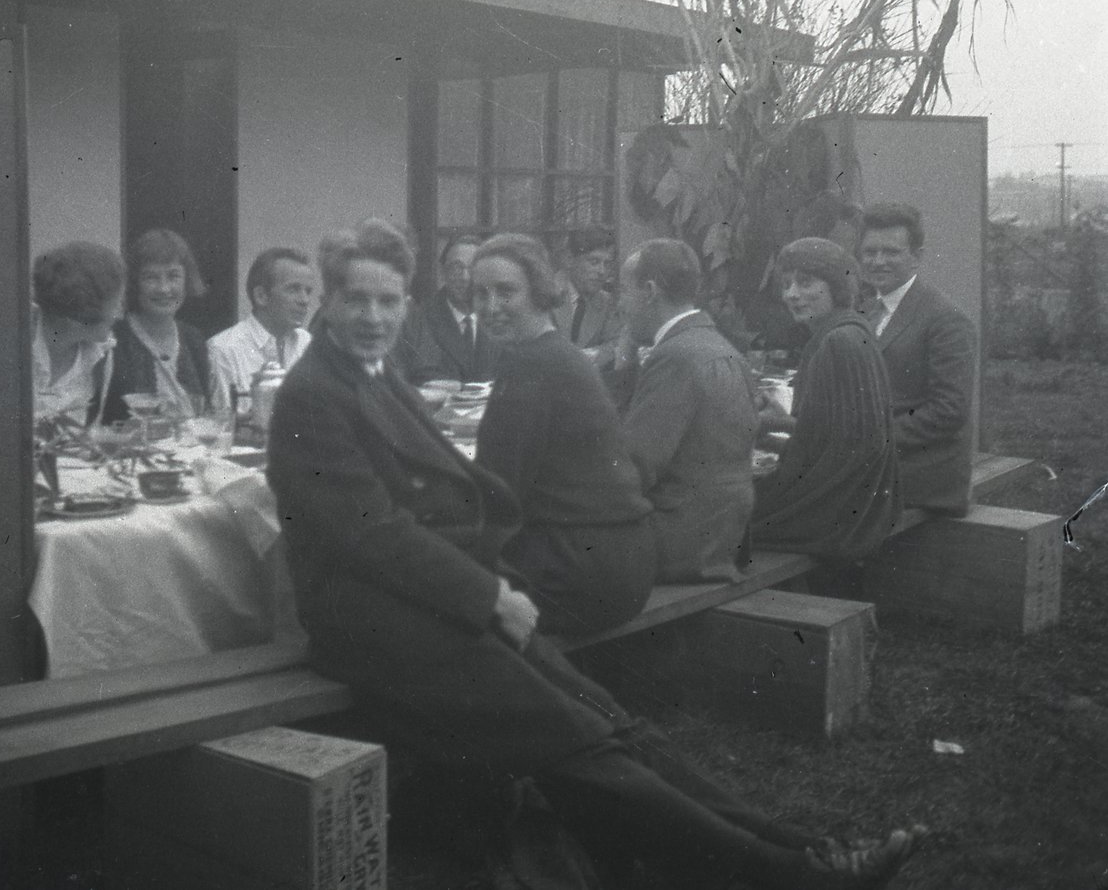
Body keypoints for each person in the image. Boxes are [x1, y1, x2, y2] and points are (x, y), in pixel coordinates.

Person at [266, 217, 923, 890]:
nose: (374, 316)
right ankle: (784, 876)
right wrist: (489, 593)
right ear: (330, 303)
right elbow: (374, 533)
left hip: (429, 601)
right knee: (571, 740)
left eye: (388, 301)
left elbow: (453, 503)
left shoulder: (375, 376)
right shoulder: (314, 395)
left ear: (407, 304)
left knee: (609, 722)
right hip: (371, 621)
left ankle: (808, 849)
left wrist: (492, 583)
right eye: (358, 301)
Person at [470, 233, 656, 636]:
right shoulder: (559, 354)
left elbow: (498, 491)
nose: (490, 307)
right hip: (623, 561)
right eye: (480, 294)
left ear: (539, 291)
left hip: (580, 571)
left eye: (506, 292)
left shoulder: (530, 365)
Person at [751, 238, 903, 562]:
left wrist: (768, 431)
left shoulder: (840, 341)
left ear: (836, 286)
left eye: (805, 283)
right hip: (855, 503)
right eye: (787, 284)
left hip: (841, 512)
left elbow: (849, 455)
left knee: (724, 517)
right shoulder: (845, 332)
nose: (792, 294)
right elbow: (831, 438)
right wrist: (779, 422)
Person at [618, 238, 760, 582]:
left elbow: (635, 466)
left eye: (623, 290)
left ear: (649, 290)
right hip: (724, 536)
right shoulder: (718, 345)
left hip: (683, 542)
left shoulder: (675, 356)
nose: (619, 305)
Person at [858, 203, 978, 516]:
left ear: (917, 256)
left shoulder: (946, 319)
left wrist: (869, 441)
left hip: (924, 473)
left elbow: (949, 411)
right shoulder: (869, 310)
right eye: (870, 252)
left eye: (891, 252)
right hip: (882, 461)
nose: (878, 261)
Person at [102, 228, 212, 422]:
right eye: (151, 277)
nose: (164, 288)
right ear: (134, 283)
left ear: (187, 280)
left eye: (173, 276)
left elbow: (207, 413)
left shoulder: (194, 338)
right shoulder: (113, 339)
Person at [30, 241, 125, 427]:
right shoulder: (16, 346)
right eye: (115, 304)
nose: (121, 314)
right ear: (78, 315)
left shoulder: (101, 354)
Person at [207, 247, 317, 405]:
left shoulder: (307, 343)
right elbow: (226, 422)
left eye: (308, 291)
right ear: (261, 296)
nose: (304, 300)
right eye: (293, 289)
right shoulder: (224, 350)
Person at [395, 233, 498, 383]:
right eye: (456, 268)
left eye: (473, 268)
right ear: (443, 272)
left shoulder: (499, 317)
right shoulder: (420, 319)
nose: (465, 277)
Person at [551, 226, 622, 371]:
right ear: (569, 260)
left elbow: (617, 343)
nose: (602, 271)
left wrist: (594, 354)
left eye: (607, 264)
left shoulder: (607, 302)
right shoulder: (544, 294)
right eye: (594, 262)